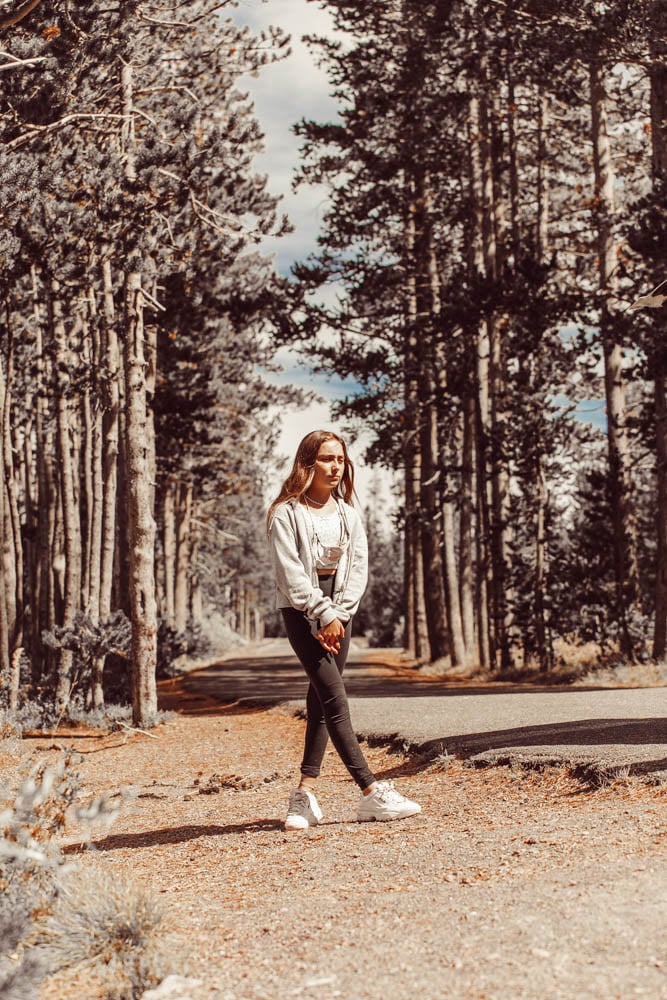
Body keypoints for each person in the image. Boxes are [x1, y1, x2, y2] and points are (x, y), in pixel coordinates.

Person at [266, 429, 421, 830]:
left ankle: (304, 796)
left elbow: (358, 571)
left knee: (320, 701)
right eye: (327, 459)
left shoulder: (349, 515)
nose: (335, 467)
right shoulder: (286, 513)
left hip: (341, 614)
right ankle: (370, 792)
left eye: (340, 460)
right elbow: (291, 574)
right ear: (307, 464)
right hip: (302, 611)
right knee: (334, 697)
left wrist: (340, 613)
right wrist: (322, 613)